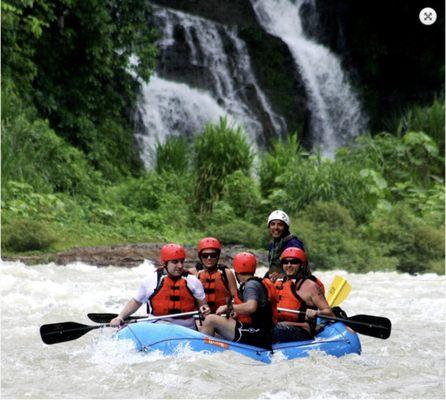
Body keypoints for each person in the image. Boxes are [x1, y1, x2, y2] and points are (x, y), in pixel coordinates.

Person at [110, 243, 210, 329]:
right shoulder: (150, 281)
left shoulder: (193, 281)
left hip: (187, 329)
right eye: (175, 262)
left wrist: (204, 309)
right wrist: (120, 317)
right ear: (164, 263)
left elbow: (203, 305)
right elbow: (136, 302)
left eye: (181, 261)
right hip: (157, 327)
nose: (180, 266)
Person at [199, 252, 276, 349]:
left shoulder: (250, 285)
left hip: (258, 333)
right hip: (258, 330)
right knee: (218, 329)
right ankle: (212, 348)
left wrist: (227, 307)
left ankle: (201, 350)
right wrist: (234, 313)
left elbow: (251, 307)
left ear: (236, 272)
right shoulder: (255, 282)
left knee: (210, 320)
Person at [272, 247, 335, 342]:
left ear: (301, 264)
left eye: (294, 262)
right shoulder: (278, 283)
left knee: (272, 330)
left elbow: (330, 314)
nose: (289, 265)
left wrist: (317, 313)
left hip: (301, 330)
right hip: (280, 325)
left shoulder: (311, 286)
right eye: (285, 262)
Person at [190, 237, 238, 314]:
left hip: (222, 317)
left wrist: (229, 309)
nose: (209, 258)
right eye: (205, 255)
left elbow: (236, 299)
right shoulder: (193, 273)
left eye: (213, 255)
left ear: (218, 256)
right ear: (200, 256)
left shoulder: (227, 273)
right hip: (199, 317)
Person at [266, 210, 305, 281]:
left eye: (280, 224)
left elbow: (299, 269)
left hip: (292, 283)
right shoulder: (272, 245)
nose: (276, 227)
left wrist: (282, 276)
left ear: (286, 227)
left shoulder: (294, 244)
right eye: (272, 224)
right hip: (276, 282)